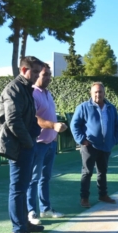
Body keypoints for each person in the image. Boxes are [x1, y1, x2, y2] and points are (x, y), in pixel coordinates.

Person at [0, 56, 46, 233]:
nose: (38, 75)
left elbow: (29, 117)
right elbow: (13, 120)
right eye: (35, 72)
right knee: (17, 189)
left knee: (23, 185)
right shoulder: (14, 89)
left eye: (39, 72)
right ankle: (18, 230)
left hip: (25, 144)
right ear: (23, 70)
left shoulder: (25, 89)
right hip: (18, 146)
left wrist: (34, 133)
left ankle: (24, 224)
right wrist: (29, 142)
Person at [26, 64, 68, 224]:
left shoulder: (48, 94)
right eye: (45, 75)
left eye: (50, 75)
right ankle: (31, 212)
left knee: (45, 178)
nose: (48, 78)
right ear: (37, 75)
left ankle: (45, 209)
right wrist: (53, 126)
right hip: (38, 144)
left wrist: (55, 135)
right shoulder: (33, 94)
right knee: (33, 179)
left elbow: (50, 116)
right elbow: (35, 119)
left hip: (50, 143)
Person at [70, 82, 118, 208]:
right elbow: (74, 125)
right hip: (89, 146)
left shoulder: (111, 108)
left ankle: (103, 195)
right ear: (91, 93)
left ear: (104, 93)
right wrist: (82, 140)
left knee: (102, 172)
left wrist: (115, 139)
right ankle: (84, 198)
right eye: (95, 92)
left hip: (106, 146)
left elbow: (117, 125)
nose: (98, 94)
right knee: (87, 172)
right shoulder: (83, 107)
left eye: (100, 92)